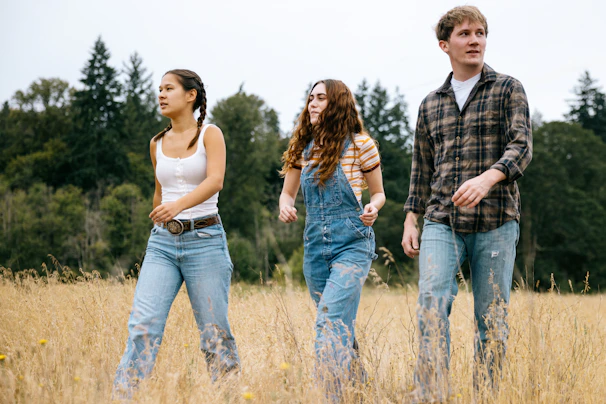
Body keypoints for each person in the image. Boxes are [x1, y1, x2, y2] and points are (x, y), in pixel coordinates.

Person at [401, 6, 532, 401]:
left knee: (490, 319)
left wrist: (489, 177)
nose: (474, 40)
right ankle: (431, 394)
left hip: (496, 221)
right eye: (464, 34)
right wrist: (411, 219)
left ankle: (485, 395)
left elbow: (522, 146)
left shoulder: (509, 88)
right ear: (445, 45)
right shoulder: (430, 104)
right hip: (441, 220)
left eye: (480, 33)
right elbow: (420, 168)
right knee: (431, 302)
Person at [113, 69, 240, 397]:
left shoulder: (210, 134)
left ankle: (228, 396)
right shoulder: (156, 143)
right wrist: (161, 220)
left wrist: (178, 206)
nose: (161, 94)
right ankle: (122, 397)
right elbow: (160, 191)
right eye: (159, 89)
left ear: (190, 95)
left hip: (206, 241)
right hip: (162, 245)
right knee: (143, 326)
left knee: (214, 333)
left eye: (168, 88)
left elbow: (215, 181)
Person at [279, 79, 385, 397]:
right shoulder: (303, 148)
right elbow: (287, 193)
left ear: (337, 103)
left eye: (321, 98)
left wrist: (372, 207)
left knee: (329, 321)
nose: (312, 103)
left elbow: (379, 193)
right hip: (314, 249)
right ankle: (361, 391)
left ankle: (331, 396)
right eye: (310, 97)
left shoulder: (361, 145)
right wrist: (286, 207)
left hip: (352, 243)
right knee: (338, 325)